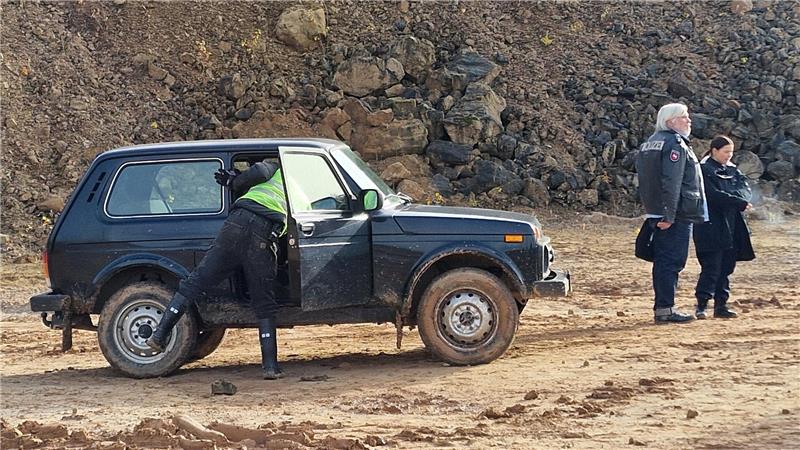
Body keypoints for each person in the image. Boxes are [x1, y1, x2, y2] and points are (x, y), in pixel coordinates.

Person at [146, 160, 287, 379]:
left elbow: (258, 171)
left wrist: (235, 180)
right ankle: (270, 367)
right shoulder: (301, 181)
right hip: (264, 232)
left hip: (236, 222)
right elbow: (260, 172)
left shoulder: (276, 171)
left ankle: (159, 335)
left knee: (196, 281)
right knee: (264, 301)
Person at [635, 103, 707, 323]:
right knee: (671, 261)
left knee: (663, 260)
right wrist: (669, 215)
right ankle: (665, 309)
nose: (689, 121)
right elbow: (672, 181)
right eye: (684, 117)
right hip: (676, 214)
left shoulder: (650, 143)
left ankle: (663, 307)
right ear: (671, 121)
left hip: (657, 211)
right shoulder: (675, 144)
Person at [693, 136, 755, 319]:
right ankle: (702, 305)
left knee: (727, 266)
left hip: (732, 223)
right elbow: (712, 195)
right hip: (710, 224)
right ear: (714, 150)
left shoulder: (733, 170)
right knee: (711, 266)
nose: (729, 155)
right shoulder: (704, 170)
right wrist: (737, 201)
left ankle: (721, 305)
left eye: (731, 152)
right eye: (726, 151)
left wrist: (738, 200)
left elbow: (745, 190)